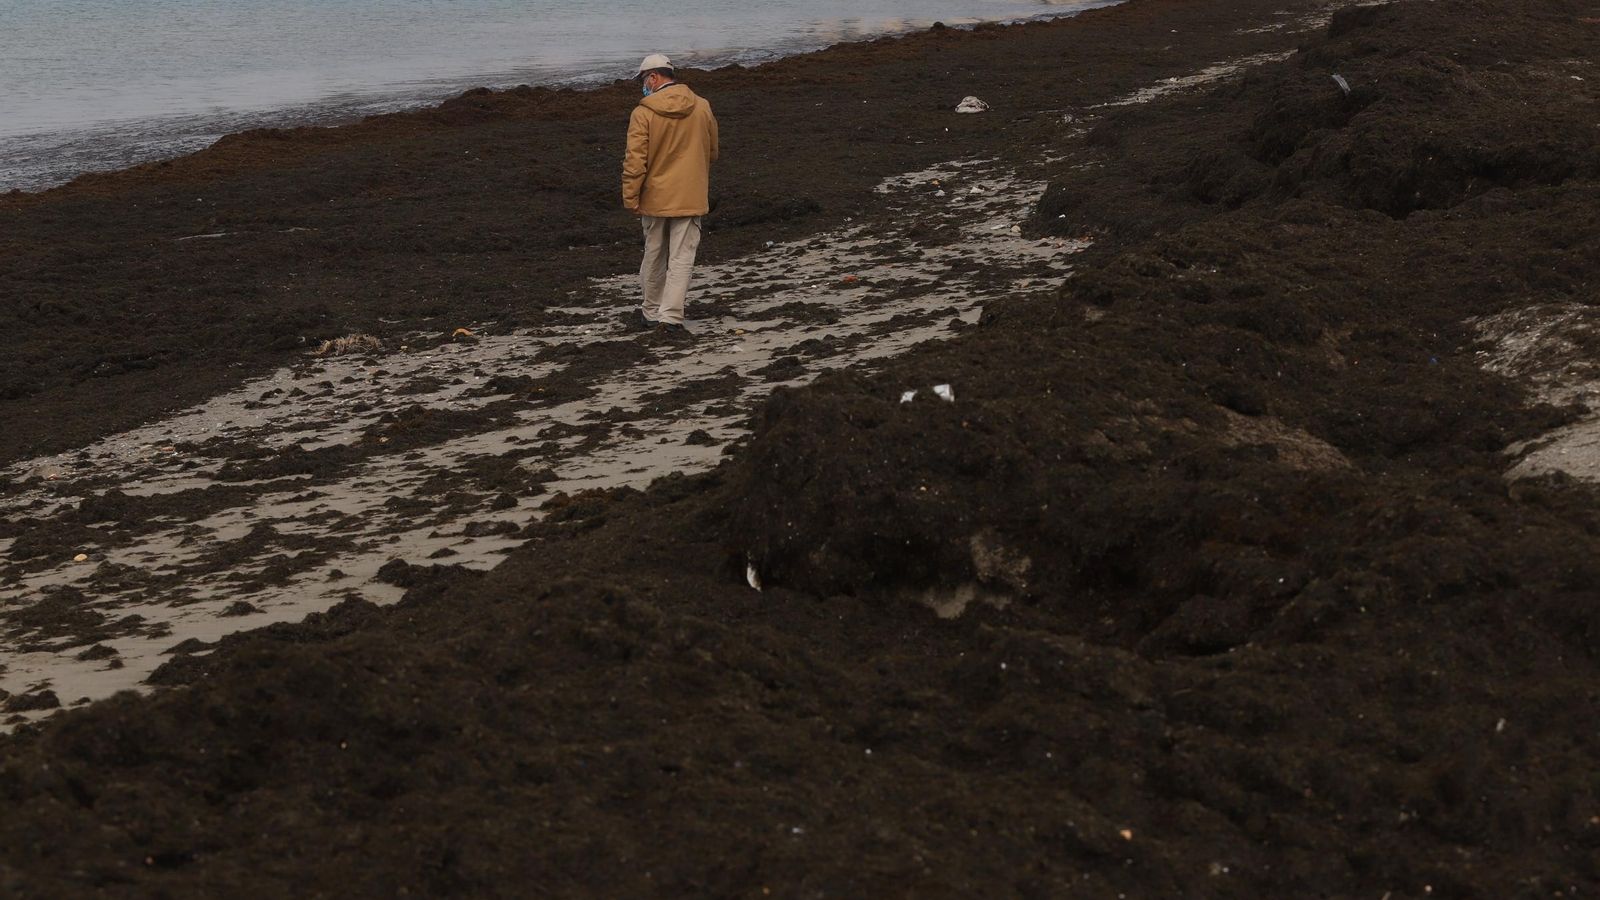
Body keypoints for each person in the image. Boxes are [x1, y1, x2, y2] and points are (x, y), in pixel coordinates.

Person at [621, 53, 719, 334]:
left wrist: (630, 197)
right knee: (681, 258)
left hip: (654, 197)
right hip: (690, 195)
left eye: (643, 80)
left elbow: (634, 162)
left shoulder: (643, 112)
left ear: (653, 77)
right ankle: (672, 316)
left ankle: (651, 311)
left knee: (653, 254)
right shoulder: (702, 106)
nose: (643, 86)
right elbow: (712, 152)